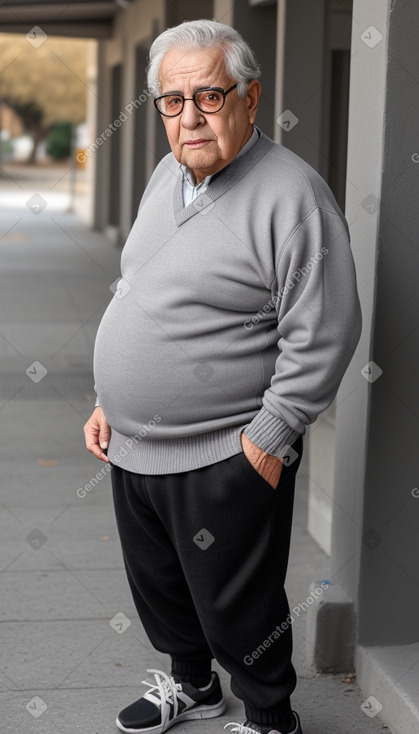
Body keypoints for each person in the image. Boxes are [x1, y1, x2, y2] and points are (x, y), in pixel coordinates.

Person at [84, 18, 362, 734]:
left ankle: (270, 717)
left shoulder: (292, 195)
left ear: (250, 97)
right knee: (161, 586)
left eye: (208, 96)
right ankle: (193, 684)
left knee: (236, 599)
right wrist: (106, 396)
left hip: (225, 448)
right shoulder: (164, 175)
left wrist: (268, 439)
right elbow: (136, 288)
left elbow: (325, 330)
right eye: (172, 103)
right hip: (132, 443)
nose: (189, 117)